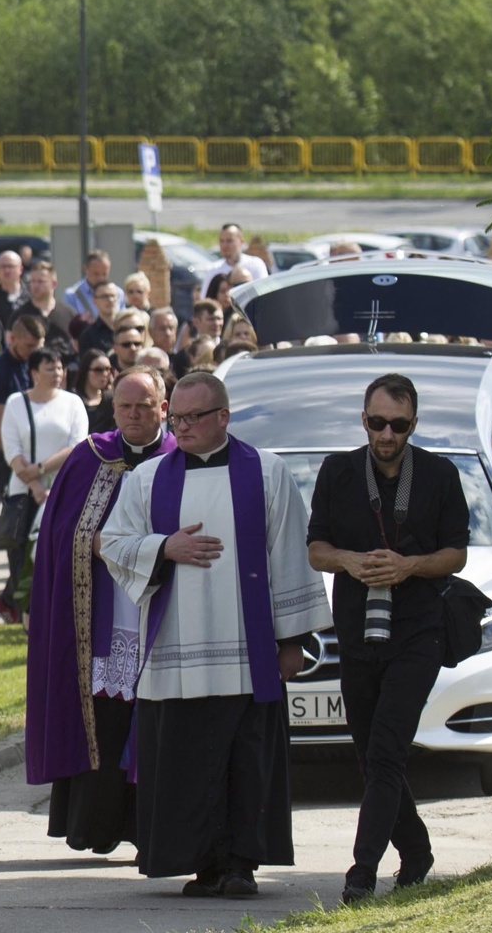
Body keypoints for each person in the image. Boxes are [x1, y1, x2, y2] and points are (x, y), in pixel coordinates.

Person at [98, 371, 330, 897]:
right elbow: (111, 543)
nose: (182, 427)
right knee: (183, 761)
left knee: (242, 759)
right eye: (176, 418)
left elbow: (290, 554)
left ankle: (239, 865)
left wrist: (291, 641)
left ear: (223, 416)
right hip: (173, 650)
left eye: (193, 417)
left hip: (246, 651)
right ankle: (201, 863)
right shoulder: (148, 479)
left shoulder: (267, 474)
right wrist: (162, 549)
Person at [304, 375, 470, 902]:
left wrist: (410, 566)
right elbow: (316, 549)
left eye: (398, 425)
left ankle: (361, 873)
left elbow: (456, 554)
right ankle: (416, 850)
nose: (386, 434)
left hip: (418, 630)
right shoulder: (338, 471)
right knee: (368, 753)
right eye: (377, 423)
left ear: (413, 425)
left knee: (387, 752)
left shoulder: (440, 475)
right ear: (364, 421)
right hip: (355, 632)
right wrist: (351, 561)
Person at [25, 370, 175, 854]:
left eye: (145, 406)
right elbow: (58, 536)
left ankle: (153, 830)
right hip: (101, 615)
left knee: (156, 719)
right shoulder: (88, 458)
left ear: (163, 407)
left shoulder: (179, 458)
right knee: (106, 720)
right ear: (113, 409)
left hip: (159, 610)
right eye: (126, 407)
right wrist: (96, 545)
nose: (134, 415)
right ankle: (98, 826)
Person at [0, 348, 89, 614]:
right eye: (50, 368)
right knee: (22, 556)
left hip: (63, 490)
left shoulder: (73, 403)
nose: (57, 373)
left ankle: (55, 609)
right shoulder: (16, 402)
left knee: (60, 554)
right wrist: (35, 485)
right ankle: (26, 611)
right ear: (34, 373)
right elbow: (11, 449)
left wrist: (40, 469)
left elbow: (77, 445)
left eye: (60, 368)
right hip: (24, 494)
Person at [0, 311, 45, 444]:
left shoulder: (40, 366)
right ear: (13, 338)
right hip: (9, 450)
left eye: (38, 347)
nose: (34, 352)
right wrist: (14, 458)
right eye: (29, 346)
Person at [77, 348, 117, 431]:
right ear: (85, 371)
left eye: (108, 369)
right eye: (98, 370)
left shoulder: (112, 398)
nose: (105, 374)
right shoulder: (74, 399)